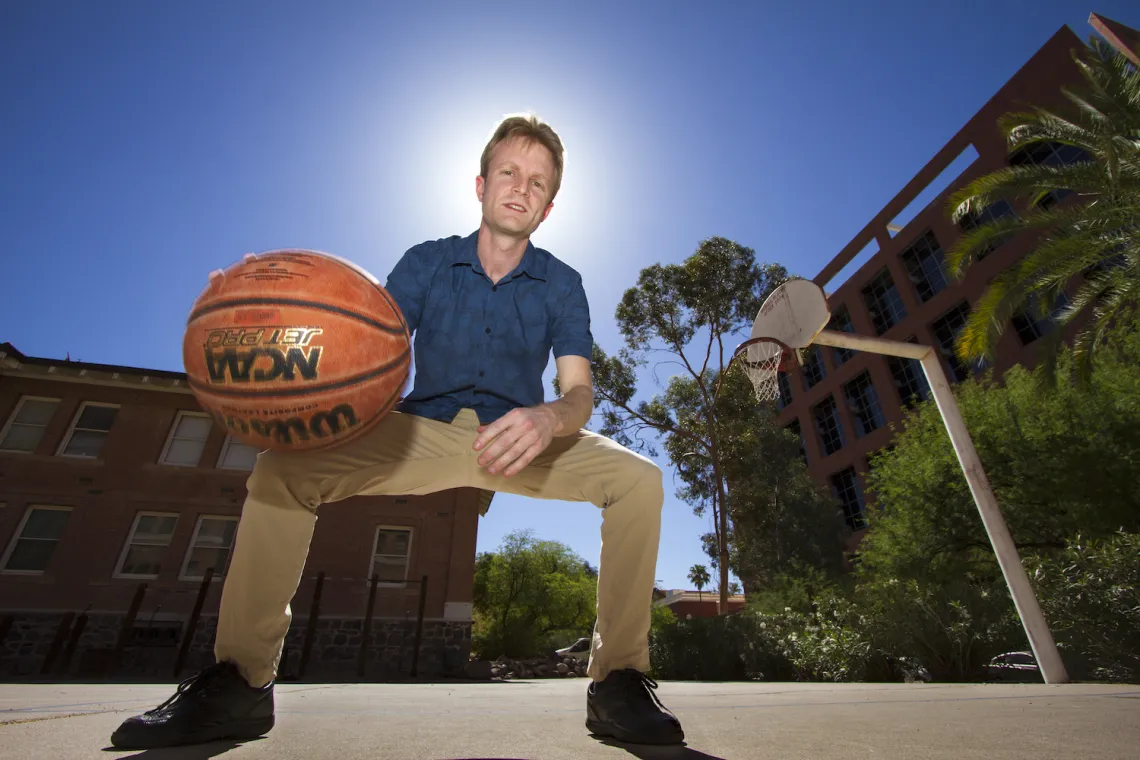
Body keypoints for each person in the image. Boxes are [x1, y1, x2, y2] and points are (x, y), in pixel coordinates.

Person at [110, 114, 685, 749]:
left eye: (539, 183)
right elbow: (359, 341)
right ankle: (243, 682)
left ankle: (619, 681)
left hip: (520, 437)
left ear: (548, 207)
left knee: (639, 481)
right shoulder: (427, 261)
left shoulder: (562, 282)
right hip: (422, 429)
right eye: (509, 173)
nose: (522, 188)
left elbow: (579, 392)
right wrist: (264, 301)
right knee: (280, 472)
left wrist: (550, 417)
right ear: (481, 184)